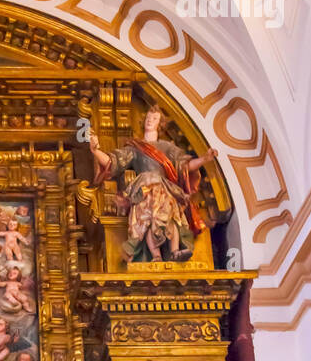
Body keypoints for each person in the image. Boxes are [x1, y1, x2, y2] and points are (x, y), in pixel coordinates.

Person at [88, 105, 217, 262]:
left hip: (164, 188)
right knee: (147, 219)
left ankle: (175, 251)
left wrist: (205, 159)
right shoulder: (135, 148)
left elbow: (184, 166)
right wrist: (96, 150)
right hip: (145, 188)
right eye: (148, 117)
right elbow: (113, 162)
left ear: (160, 123)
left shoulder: (167, 147)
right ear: (144, 121)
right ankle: (156, 256)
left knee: (171, 216)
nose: (150, 120)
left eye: (154, 118)